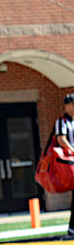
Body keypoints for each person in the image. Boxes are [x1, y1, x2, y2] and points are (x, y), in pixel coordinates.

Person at [54, 93, 74, 237]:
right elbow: (61, 139)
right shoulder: (62, 121)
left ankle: (72, 227)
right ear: (66, 106)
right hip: (70, 161)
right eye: (72, 103)